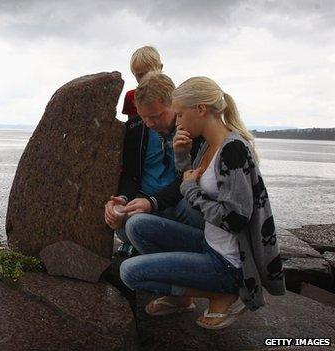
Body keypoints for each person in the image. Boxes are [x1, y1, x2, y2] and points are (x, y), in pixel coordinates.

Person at [119, 76, 285, 329]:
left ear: (200, 109)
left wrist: (190, 189)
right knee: (136, 225)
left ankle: (222, 293)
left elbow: (235, 218)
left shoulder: (233, 150)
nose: (179, 122)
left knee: (130, 273)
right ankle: (183, 296)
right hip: (209, 243)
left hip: (229, 261)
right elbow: (190, 181)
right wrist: (182, 157)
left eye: (181, 114)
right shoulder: (208, 144)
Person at [104, 71, 204, 258]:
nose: (149, 123)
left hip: (178, 204)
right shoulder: (135, 128)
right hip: (146, 204)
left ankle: (167, 256)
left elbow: (191, 179)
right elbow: (130, 174)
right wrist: (123, 199)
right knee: (122, 227)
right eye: (144, 117)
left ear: (173, 105)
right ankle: (177, 255)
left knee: (193, 209)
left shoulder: (192, 128)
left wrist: (152, 203)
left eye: (156, 116)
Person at [121, 46, 163, 120]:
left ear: (160, 68)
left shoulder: (170, 95)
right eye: (140, 75)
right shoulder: (131, 96)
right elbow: (131, 126)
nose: (145, 78)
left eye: (148, 73)